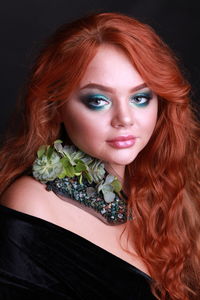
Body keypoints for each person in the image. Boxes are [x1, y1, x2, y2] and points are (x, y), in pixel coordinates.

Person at [0, 12, 199, 300]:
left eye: (140, 98)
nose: (125, 119)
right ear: (55, 106)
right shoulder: (33, 205)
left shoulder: (168, 184)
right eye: (98, 101)